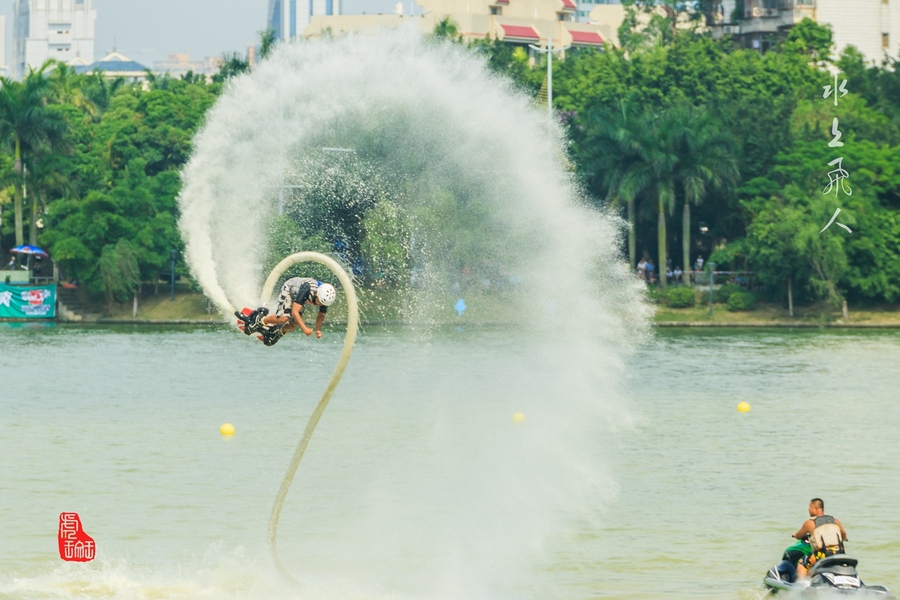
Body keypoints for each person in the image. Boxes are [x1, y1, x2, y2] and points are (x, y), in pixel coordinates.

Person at [236, 277, 337, 346]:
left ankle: (277, 332)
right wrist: (305, 328)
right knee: (284, 318)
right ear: (316, 294)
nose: (320, 305)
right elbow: (294, 312)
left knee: (293, 325)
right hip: (290, 289)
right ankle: (260, 320)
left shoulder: (324, 299)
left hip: (298, 298)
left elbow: (321, 315)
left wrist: (318, 329)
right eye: (319, 302)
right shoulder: (308, 289)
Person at [793, 498, 847, 578]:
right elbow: (844, 535)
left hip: (823, 556)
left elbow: (798, 536)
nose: (808, 509)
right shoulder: (835, 521)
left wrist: (795, 535)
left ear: (815, 508)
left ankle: (802, 586)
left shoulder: (810, 523)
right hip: (839, 554)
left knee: (802, 563)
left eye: (810, 507)